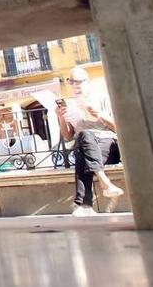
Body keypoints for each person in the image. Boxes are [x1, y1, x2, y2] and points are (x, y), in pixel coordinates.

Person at [56, 67, 125, 216]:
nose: (74, 85)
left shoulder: (102, 98)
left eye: (78, 82)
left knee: (82, 144)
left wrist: (100, 115)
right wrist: (61, 117)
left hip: (108, 143)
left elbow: (119, 128)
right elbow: (68, 136)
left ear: (87, 82)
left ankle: (85, 205)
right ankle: (104, 182)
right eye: (71, 81)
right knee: (84, 137)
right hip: (87, 146)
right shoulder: (70, 104)